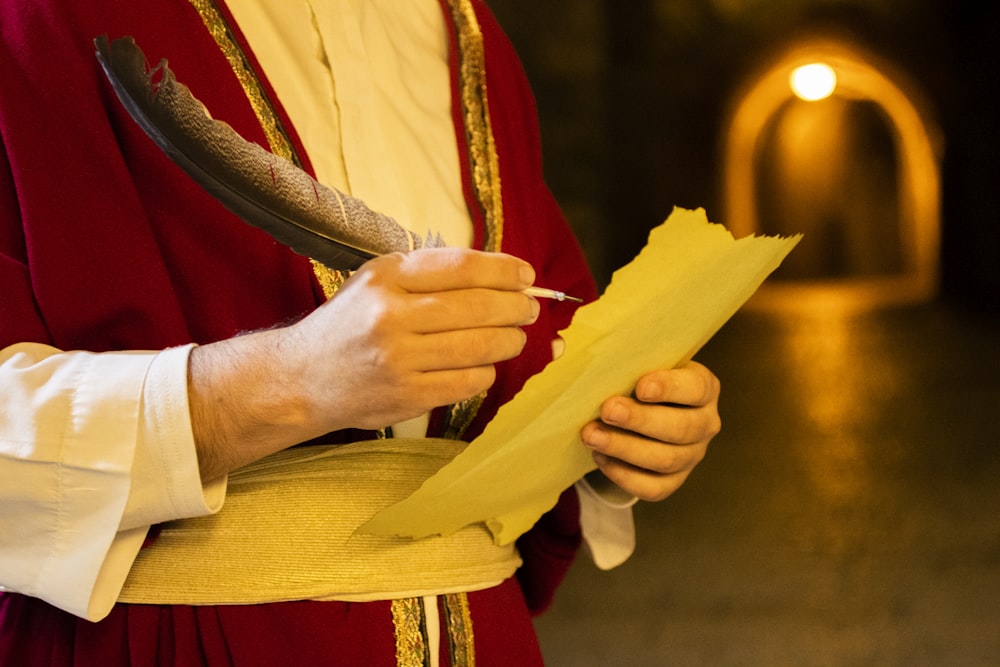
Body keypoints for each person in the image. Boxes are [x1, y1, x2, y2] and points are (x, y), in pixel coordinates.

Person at [0, 1, 721, 664]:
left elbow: (546, 347)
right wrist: (284, 381)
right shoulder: (35, 22)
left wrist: (620, 426)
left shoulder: (466, 32)